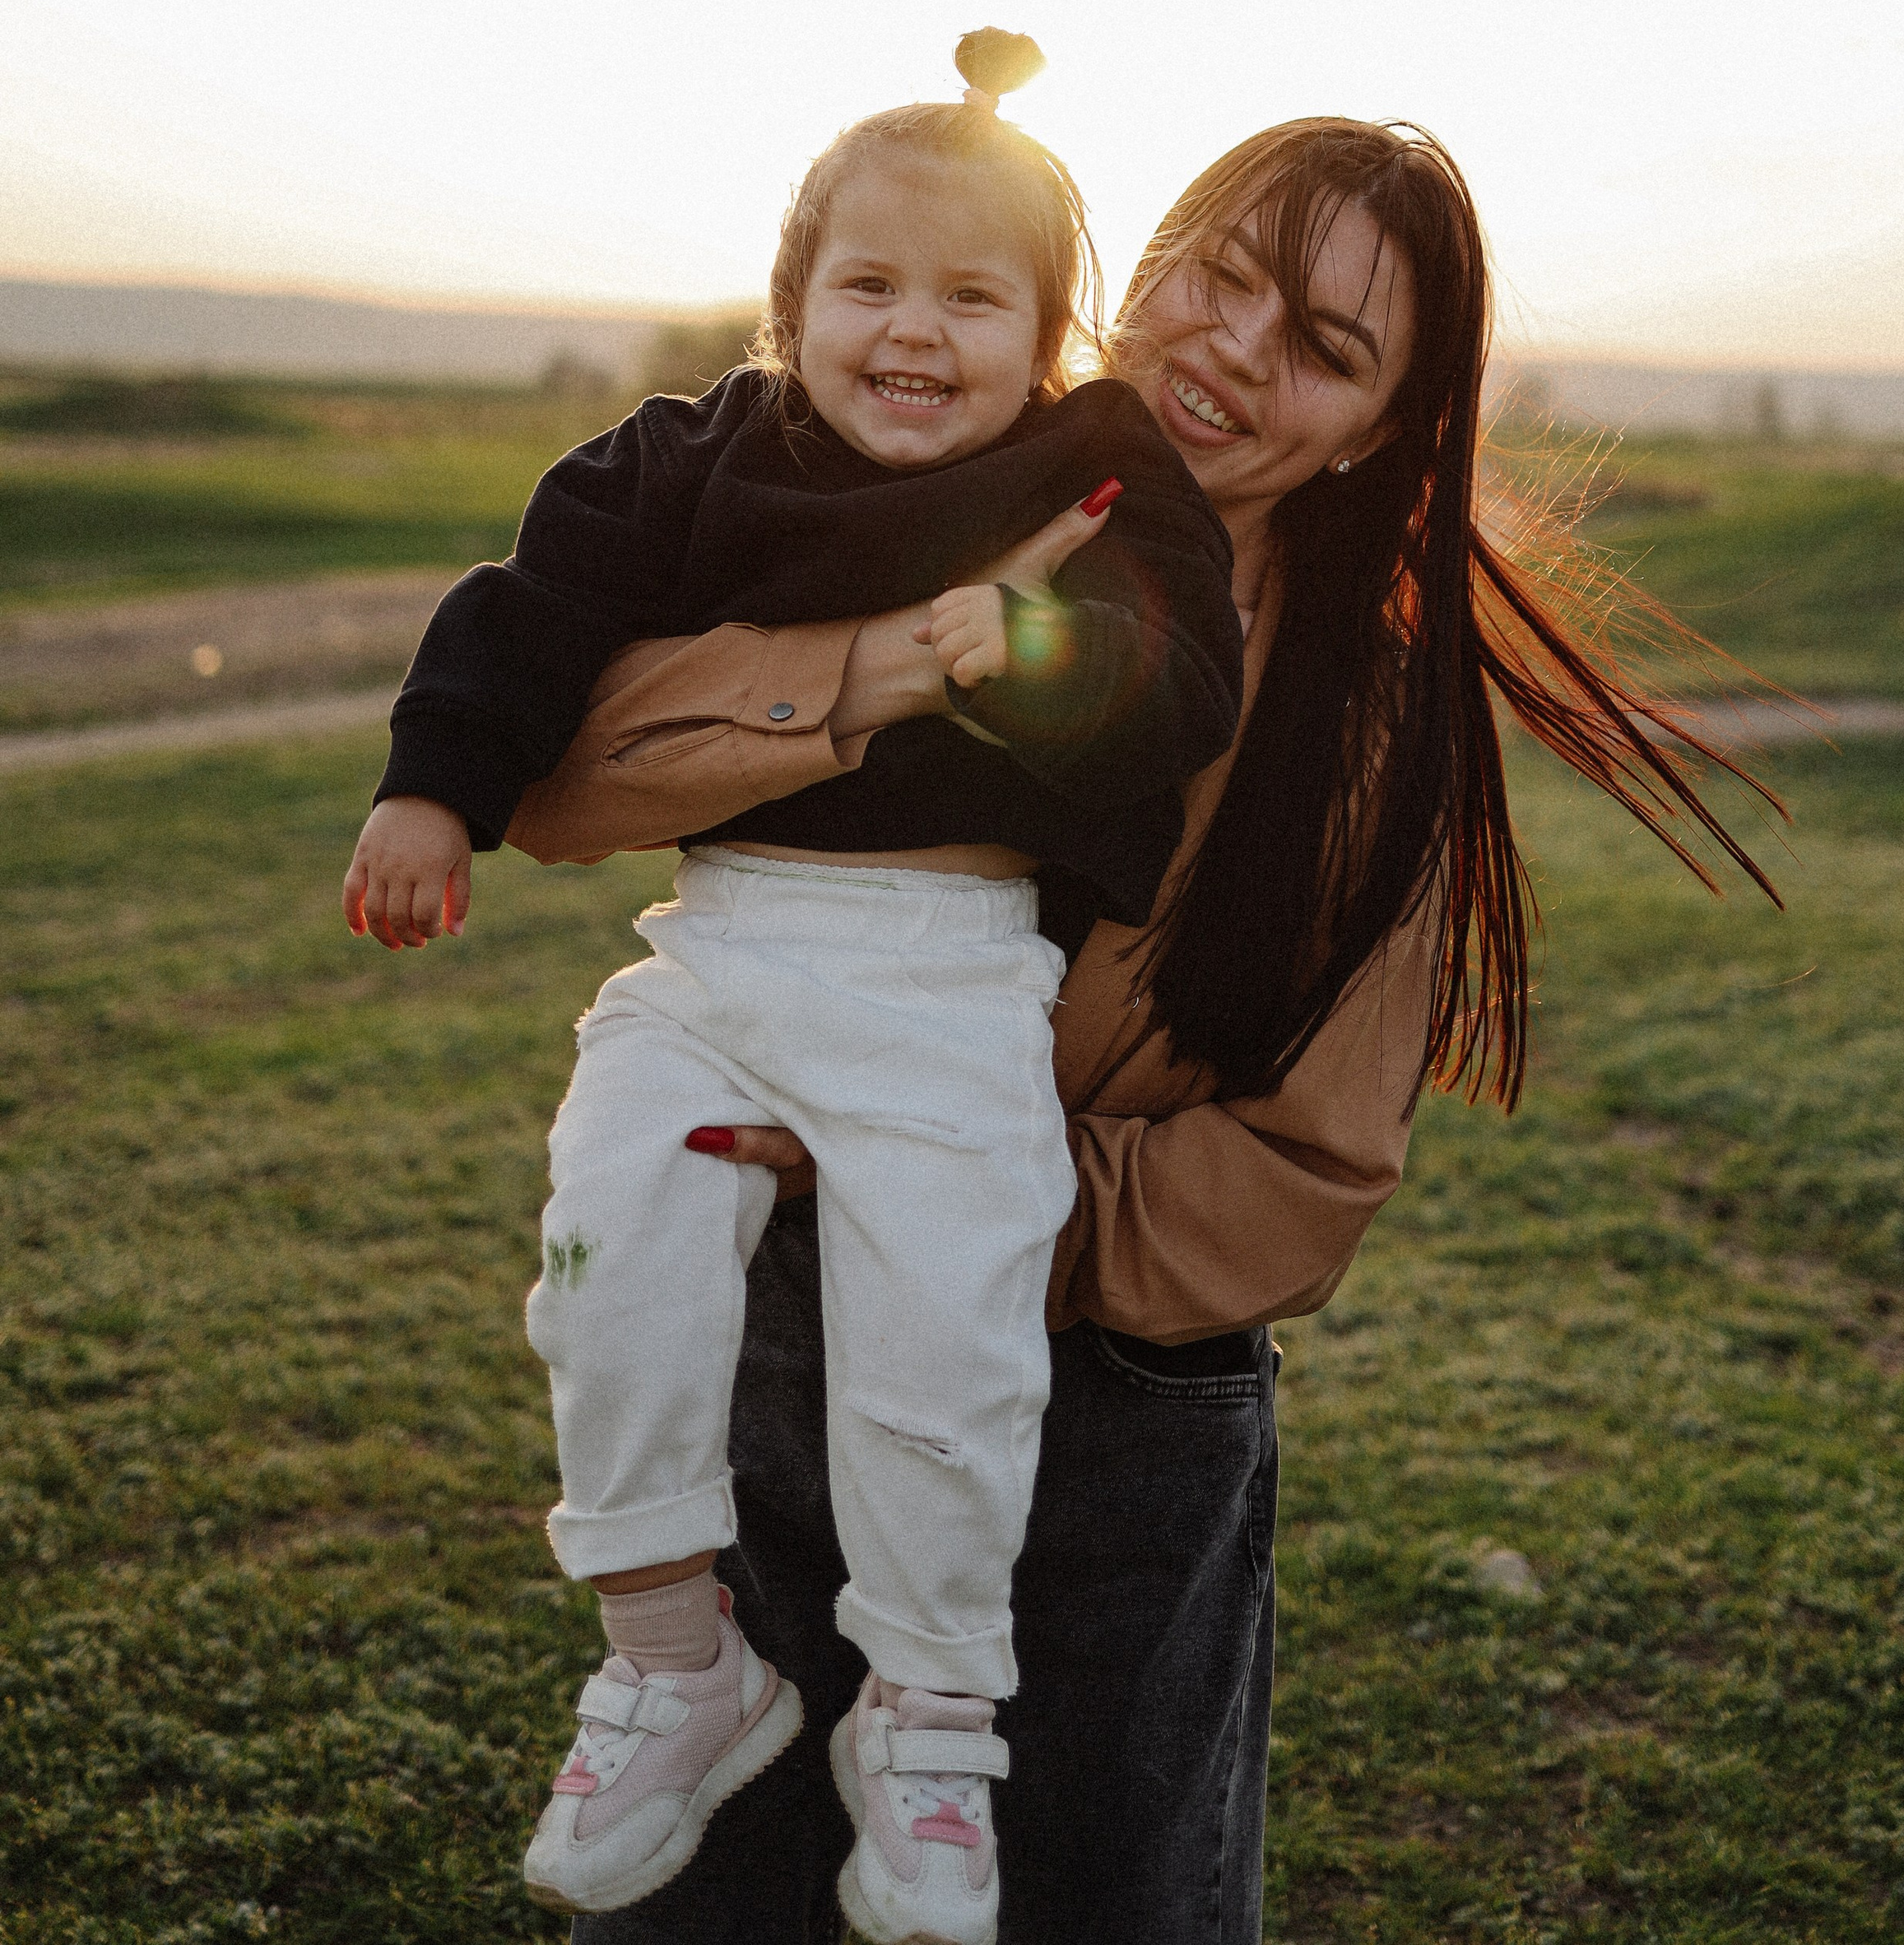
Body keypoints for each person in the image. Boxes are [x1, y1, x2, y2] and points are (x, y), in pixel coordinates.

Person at [520, 113, 1776, 1945]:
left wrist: (949, 1196)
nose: (1233, 350)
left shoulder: (1367, 725)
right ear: (1139, 263)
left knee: (1087, 1907)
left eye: (1325, 348)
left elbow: (1304, 1176)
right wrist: (893, 662)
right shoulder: (894, 474)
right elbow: (560, 782)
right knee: (719, 1899)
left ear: (1376, 429)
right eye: (1218, 273)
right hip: (779, 1348)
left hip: (1117, 1424)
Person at [341, 35, 1246, 1941]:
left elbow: (1181, 688)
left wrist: (1033, 648)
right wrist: (433, 787)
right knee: (610, 1247)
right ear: (792, 305)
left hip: (951, 981)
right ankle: (678, 1659)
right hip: (721, 953)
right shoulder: (696, 460)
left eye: (970, 297)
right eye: (868, 286)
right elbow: (529, 611)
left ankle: (927, 1725)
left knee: (949, 1340)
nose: (912, 334)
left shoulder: (1093, 470)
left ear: (1047, 332)